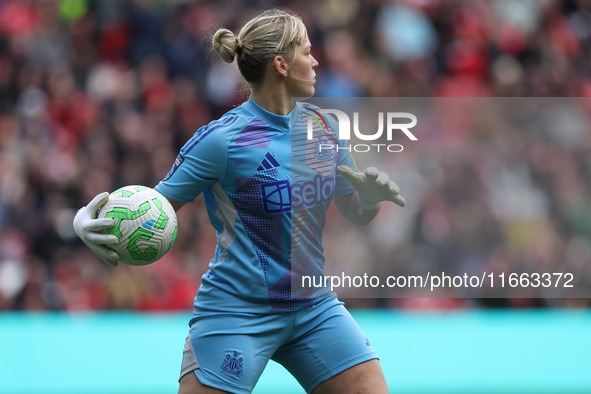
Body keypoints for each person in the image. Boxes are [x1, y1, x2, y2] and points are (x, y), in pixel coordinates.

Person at [73, 9, 405, 394]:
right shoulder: (221, 140)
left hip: (314, 306)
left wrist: (368, 199)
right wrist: (88, 223)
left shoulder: (326, 128)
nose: (316, 62)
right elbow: (152, 209)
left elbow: (355, 211)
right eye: (307, 52)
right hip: (236, 311)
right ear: (281, 64)